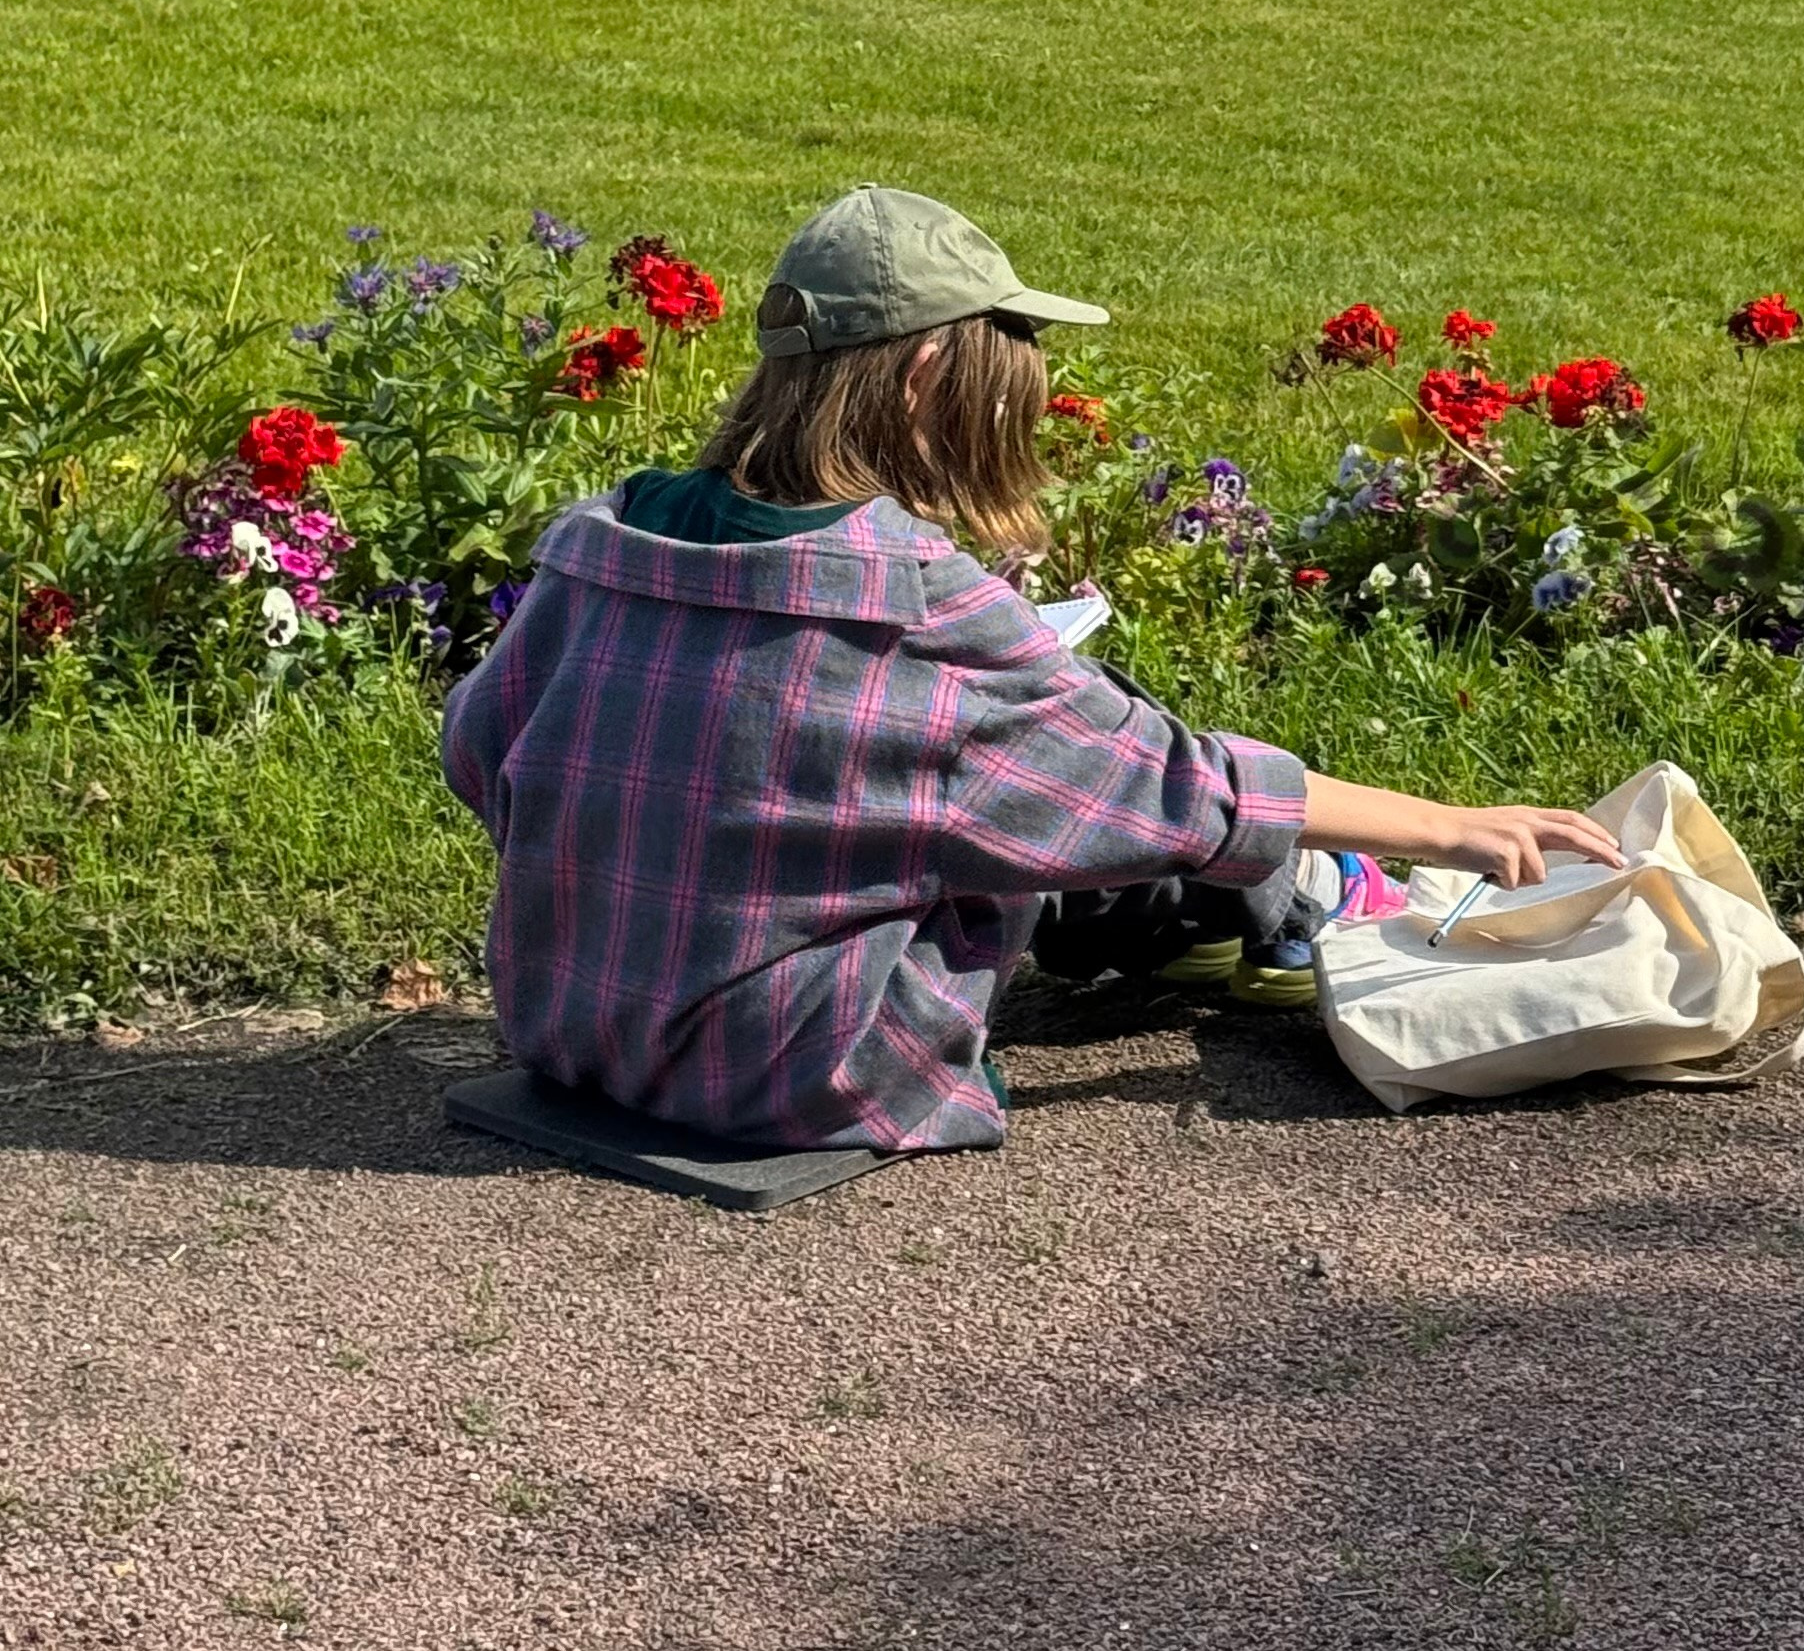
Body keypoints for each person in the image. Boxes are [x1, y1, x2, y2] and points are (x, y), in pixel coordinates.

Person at [441, 187, 1624, 1160]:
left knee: (992, 754)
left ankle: (1203, 922)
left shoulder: (603, 540)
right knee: (1061, 754)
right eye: (1016, 361)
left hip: (572, 1032)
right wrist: (1457, 828)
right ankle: (1302, 906)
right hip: (796, 1075)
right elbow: (1177, 787)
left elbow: (479, 749)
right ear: (921, 385)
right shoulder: (910, 600)